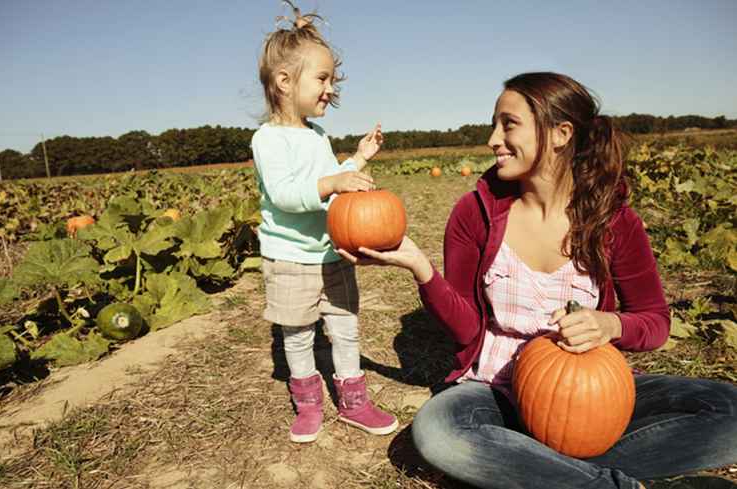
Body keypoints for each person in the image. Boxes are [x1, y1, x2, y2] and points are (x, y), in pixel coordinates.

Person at [339, 72, 737, 488]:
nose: (493, 139)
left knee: (729, 410)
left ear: (561, 133)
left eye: (508, 124)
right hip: (496, 390)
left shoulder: (614, 221)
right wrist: (421, 268)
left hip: (589, 396)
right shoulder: (474, 214)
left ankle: (538, 467)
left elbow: (656, 322)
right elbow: (468, 329)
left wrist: (610, 324)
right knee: (440, 433)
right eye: (494, 124)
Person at [251, 1, 398, 444]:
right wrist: (335, 180)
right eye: (322, 78)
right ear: (283, 82)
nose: (330, 88)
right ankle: (308, 403)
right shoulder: (268, 140)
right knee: (296, 333)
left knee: (345, 324)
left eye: (332, 79)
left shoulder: (317, 136)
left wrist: (357, 159)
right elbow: (288, 194)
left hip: (331, 251)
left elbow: (328, 182)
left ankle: (354, 401)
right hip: (290, 258)